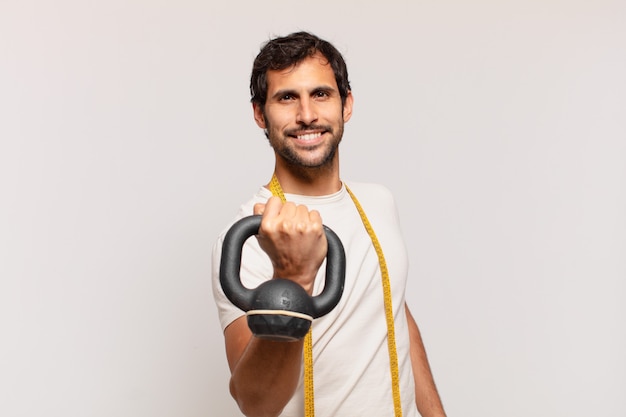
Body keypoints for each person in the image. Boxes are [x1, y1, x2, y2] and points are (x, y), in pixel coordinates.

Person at [211, 31, 446, 417]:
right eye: (287, 97)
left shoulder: (378, 201)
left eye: (321, 94)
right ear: (259, 114)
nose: (307, 115)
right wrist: (293, 277)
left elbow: (392, 311)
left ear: (346, 104)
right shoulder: (248, 235)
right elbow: (255, 403)